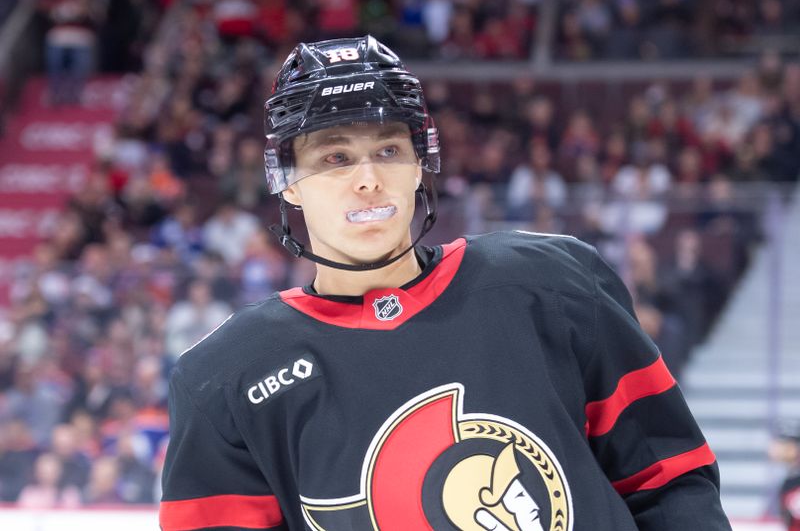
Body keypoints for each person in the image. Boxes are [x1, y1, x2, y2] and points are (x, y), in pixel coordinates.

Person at [159, 35, 731, 530]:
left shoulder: (555, 285)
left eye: (388, 150)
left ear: (419, 164)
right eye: (334, 158)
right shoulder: (224, 379)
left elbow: (669, 477)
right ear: (287, 183)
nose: (367, 180)